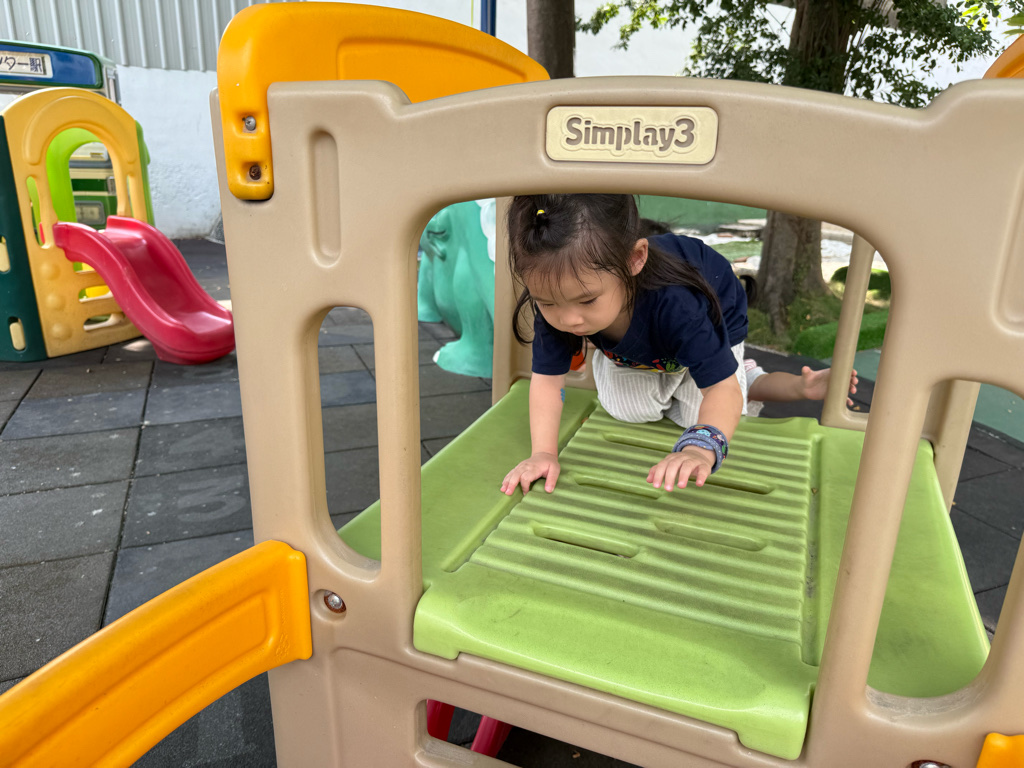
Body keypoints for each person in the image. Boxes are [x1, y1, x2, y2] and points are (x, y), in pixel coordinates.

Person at [499, 193, 857, 498]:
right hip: (650, 346)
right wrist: (543, 453)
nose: (569, 320)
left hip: (714, 318)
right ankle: (686, 372)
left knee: (701, 417)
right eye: (547, 302)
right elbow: (547, 381)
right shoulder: (559, 299)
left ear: (634, 259)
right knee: (624, 408)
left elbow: (720, 393)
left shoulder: (677, 304)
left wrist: (700, 449)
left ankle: (744, 376)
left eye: (587, 300)